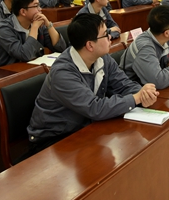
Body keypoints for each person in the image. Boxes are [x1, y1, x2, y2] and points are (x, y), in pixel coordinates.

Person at [26, 13, 158, 154]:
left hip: (86, 125)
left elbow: (124, 84)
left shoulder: (103, 58)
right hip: (53, 139)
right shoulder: (63, 73)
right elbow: (94, 108)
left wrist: (144, 94)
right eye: (105, 34)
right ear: (90, 45)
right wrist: (136, 98)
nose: (110, 37)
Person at [120, 5, 169, 89]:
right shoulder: (145, 48)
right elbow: (158, 82)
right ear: (166, 33)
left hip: (155, 89)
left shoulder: (168, 39)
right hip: (134, 91)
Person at [0, 0, 66, 69]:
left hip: (30, 68)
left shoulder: (38, 24)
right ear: (23, 11)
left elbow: (61, 48)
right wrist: (34, 27)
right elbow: (25, 55)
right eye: (36, 6)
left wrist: (48, 24)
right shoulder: (4, 29)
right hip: (4, 72)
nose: (40, 9)